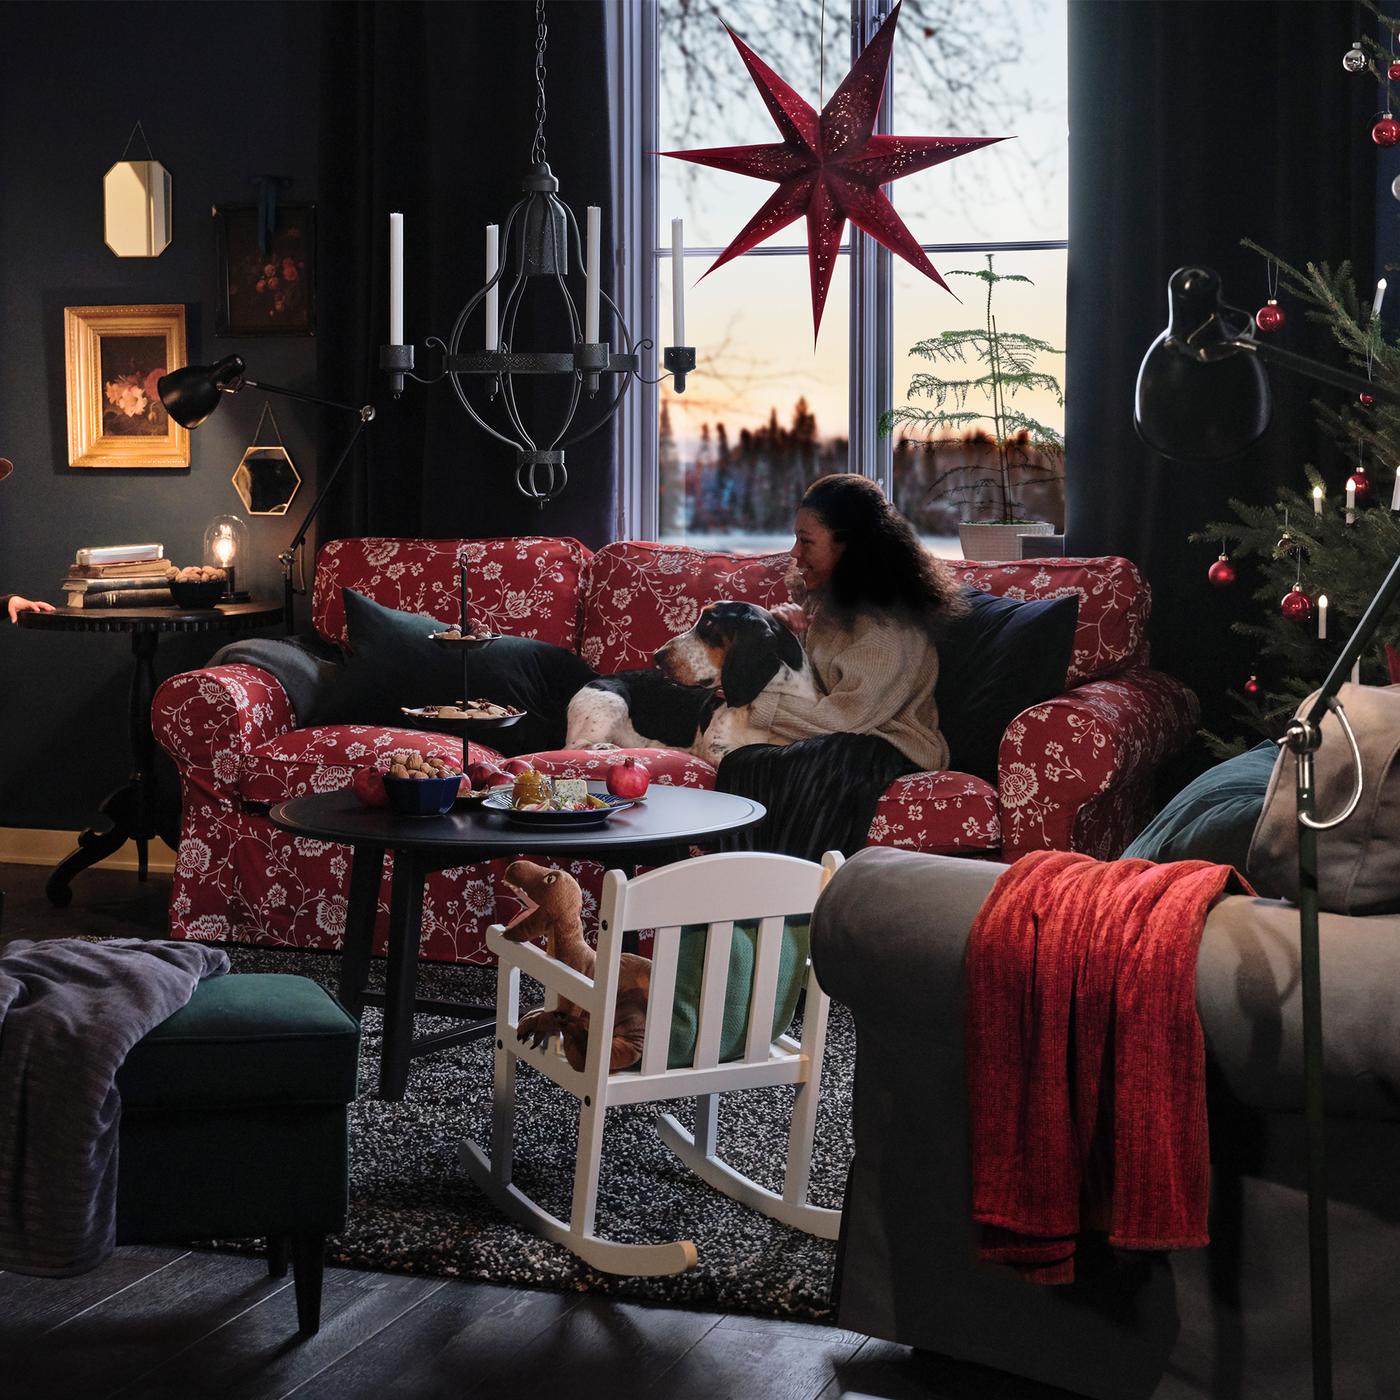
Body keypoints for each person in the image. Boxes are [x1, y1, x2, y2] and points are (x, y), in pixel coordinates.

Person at [717, 473, 964, 861]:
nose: (795, 554)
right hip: (839, 734)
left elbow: (840, 721)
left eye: (806, 540)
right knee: (745, 763)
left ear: (853, 548)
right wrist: (790, 642)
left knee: (820, 763)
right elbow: (817, 686)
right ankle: (751, 897)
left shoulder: (889, 629)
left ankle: (795, 901)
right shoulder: (831, 603)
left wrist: (748, 696)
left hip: (885, 745)